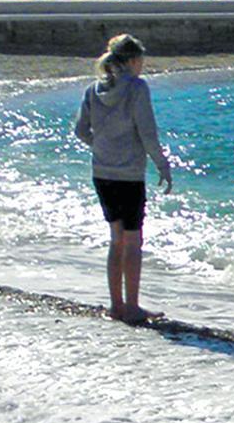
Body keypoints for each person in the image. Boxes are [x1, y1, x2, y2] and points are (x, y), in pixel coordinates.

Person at [74, 33, 174, 322]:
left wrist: (102, 146)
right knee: (133, 240)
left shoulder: (93, 89)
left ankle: (116, 305)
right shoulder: (137, 88)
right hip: (129, 174)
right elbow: (147, 133)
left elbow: (80, 130)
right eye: (141, 61)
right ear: (132, 60)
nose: (142, 66)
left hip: (102, 172)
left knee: (116, 238)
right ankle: (132, 306)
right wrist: (162, 165)